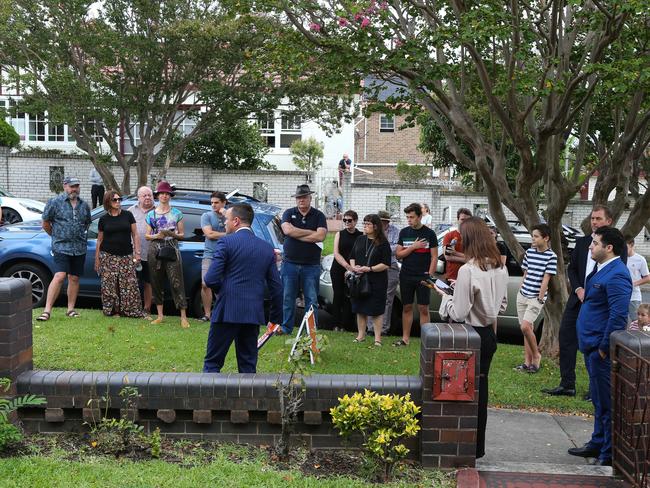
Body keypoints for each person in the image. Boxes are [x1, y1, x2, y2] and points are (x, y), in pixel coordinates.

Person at [433, 217, 508, 459]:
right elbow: (502, 306)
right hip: (488, 336)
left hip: (468, 336)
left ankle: (462, 445)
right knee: (481, 391)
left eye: (462, 238)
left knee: (460, 392)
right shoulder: (500, 267)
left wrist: (445, 296)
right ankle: (477, 448)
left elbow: (459, 312)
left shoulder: (468, 270)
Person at [542, 205, 625, 398]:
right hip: (578, 299)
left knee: (595, 344)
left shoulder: (614, 246)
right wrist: (579, 289)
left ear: (609, 221)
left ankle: (593, 388)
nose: (594, 222)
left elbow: (616, 276)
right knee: (566, 336)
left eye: (598, 218)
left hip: (598, 304)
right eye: (592, 219)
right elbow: (572, 269)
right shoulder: (583, 243)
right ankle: (567, 384)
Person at [568, 226, 632, 467]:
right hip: (591, 346)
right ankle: (596, 442)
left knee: (606, 403)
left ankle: (608, 452)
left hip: (600, 349)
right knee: (597, 400)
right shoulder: (600, 270)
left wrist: (604, 347)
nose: (590, 247)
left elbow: (617, 315)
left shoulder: (617, 274)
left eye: (595, 243)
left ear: (609, 247)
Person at [203, 203, 283, 373]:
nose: (224, 223)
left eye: (227, 220)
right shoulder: (267, 248)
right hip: (252, 313)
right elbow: (276, 287)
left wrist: (223, 291)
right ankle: (248, 400)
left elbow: (210, 279)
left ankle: (208, 399)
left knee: (213, 363)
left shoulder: (226, 242)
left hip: (226, 311)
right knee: (248, 365)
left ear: (236, 221)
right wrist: (275, 318)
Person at [36, 176, 91, 321]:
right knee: (60, 275)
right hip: (61, 246)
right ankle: (47, 310)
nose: (74, 189)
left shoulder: (84, 205)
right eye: (71, 186)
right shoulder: (55, 202)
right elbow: (46, 223)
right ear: (65, 186)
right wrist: (56, 236)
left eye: (76, 186)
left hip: (79, 247)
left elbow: (86, 223)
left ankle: (70, 309)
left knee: (74, 277)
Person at [279, 184, 327, 335]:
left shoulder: (319, 215)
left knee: (311, 300)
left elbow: (320, 236)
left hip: (311, 265)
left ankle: (311, 331)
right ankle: (286, 328)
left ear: (310, 198)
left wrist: (296, 233)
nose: (301, 200)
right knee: (288, 298)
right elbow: (287, 230)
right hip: (289, 264)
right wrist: (310, 234)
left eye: (304, 197)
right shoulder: (288, 213)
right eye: (299, 197)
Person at [145, 181, 190, 328]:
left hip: (172, 247)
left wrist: (171, 233)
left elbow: (182, 234)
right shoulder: (150, 214)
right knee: (156, 281)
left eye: (167, 193)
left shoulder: (177, 213)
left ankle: (183, 316)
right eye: (162, 193)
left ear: (170, 196)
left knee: (176, 281)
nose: (164, 196)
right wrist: (156, 235)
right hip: (155, 248)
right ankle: (159, 315)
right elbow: (147, 236)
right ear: (157, 195)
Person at [94, 190, 146, 318]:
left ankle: (131, 311)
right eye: (114, 200)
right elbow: (99, 240)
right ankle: (112, 311)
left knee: (129, 284)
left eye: (119, 199)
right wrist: (97, 259)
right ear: (108, 202)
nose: (118, 202)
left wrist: (137, 253)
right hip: (107, 255)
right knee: (109, 284)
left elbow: (135, 234)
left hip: (126, 255)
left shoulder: (128, 215)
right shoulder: (103, 219)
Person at [515, 224, 557, 373]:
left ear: (546, 238)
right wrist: (520, 290)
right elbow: (525, 274)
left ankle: (536, 356)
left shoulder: (552, 256)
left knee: (525, 326)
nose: (533, 239)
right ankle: (527, 363)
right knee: (527, 330)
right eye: (532, 236)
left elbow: (546, 279)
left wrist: (540, 298)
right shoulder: (529, 253)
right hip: (522, 295)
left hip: (535, 298)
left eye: (536, 236)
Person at [394, 203, 438, 346]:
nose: (409, 220)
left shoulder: (429, 234)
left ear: (419, 216)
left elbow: (434, 257)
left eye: (411, 217)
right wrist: (413, 247)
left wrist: (429, 275)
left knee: (423, 308)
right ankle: (405, 339)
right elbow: (398, 255)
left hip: (423, 276)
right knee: (407, 307)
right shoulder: (404, 232)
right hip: (406, 275)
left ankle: (426, 340)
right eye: (407, 217)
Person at [349, 214, 391, 346]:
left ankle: (377, 338)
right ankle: (361, 335)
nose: (365, 226)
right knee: (360, 308)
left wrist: (370, 269)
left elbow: (386, 264)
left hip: (377, 280)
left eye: (368, 224)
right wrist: (354, 267)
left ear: (376, 226)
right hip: (359, 279)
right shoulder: (360, 239)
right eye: (364, 224)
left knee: (376, 310)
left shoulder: (383, 243)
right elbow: (352, 256)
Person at [330, 210, 362, 331]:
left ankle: (346, 325)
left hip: (354, 269)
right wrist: (347, 267)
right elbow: (336, 253)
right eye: (344, 220)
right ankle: (336, 324)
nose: (347, 222)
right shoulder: (340, 234)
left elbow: (361, 253)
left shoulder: (361, 235)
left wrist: (353, 269)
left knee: (349, 297)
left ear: (355, 221)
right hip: (338, 268)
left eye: (349, 220)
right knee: (338, 295)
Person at [200, 191, 227, 321]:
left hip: (227, 255)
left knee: (224, 285)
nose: (213, 205)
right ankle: (207, 314)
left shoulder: (230, 216)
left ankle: (222, 313)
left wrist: (226, 215)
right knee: (205, 283)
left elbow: (237, 230)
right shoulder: (206, 215)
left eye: (216, 203)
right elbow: (209, 234)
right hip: (210, 254)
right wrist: (228, 234)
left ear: (223, 203)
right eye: (212, 203)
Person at [127, 186, 155, 313]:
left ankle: (147, 308)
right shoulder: (130, 211)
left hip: (152, 253)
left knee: (148, 282)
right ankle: (132, 307)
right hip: (132, 252)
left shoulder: (158, 211)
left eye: (149, 195)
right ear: (138, 197)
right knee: (131, 281)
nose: (148, 197)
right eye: (144, 195)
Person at [375, 210, 400, 335]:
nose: (382, 224)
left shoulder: (395, 231)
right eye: (380, 221)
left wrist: (382, 248)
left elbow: (397, 249)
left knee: (387, 299)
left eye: (385, 221)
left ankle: (384, 329)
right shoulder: (373, 231)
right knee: (373, 296)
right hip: (374, 266)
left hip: (391, 265)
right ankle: (371, 328)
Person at [441, 208, 472, 281]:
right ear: (458, 220)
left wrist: (455, 253)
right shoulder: (449, 235)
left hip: (469, 277)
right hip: (452, 277)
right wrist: (467, 259)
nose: (465, 222)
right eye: (462, 219)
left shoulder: (473, 237)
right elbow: (448, 257)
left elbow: (475, 258)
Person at [625, 238, 650, 321]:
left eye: (626, 248)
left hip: (634, 296)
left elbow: (647, 278)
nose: (623, 250)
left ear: (632, 245)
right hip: (620, 295)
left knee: (637, 321)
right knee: (620, 321)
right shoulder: (619, 258)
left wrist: (633, 284)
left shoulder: (640, 259)